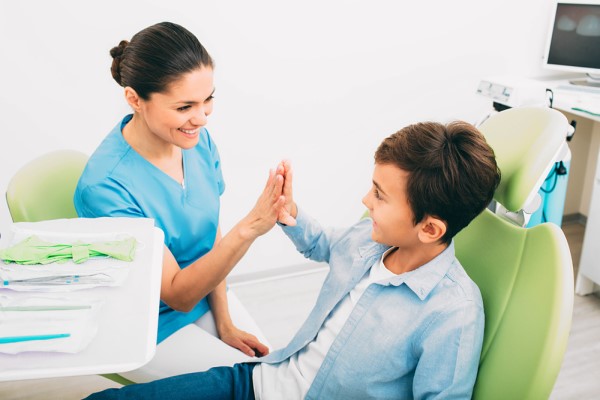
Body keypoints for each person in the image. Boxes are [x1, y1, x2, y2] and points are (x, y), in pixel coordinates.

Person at [86, 120, 501, 399]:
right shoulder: (371, 240)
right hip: (256, 383)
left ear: (429, 229)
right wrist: (290, 213)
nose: (364, 200)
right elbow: (324, 243)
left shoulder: (453, 314)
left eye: (379, 194)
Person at [74, 21, 295, 380]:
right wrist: (251, 228)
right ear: (134, 99)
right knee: (254, 385)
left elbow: (210, 238)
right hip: (141, 325)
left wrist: (225, 323)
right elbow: (177, 295)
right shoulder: (106, 187)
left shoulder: (194, 142)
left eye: (208, 100)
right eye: (184, 107)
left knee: (270, 373)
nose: (201, 118)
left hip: (201, 292)